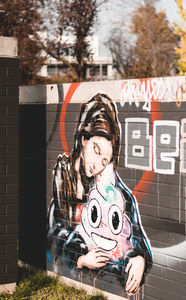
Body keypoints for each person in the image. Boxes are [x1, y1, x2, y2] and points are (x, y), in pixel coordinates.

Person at [47, 93, 152, 295]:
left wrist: (140, 258)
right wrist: (81, 260)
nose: (97, 165)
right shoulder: (62, 183)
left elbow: (136, 235)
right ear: (83, 139)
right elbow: (53, 242)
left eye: (105, 161)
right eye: (96, 150)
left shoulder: (114, 192)